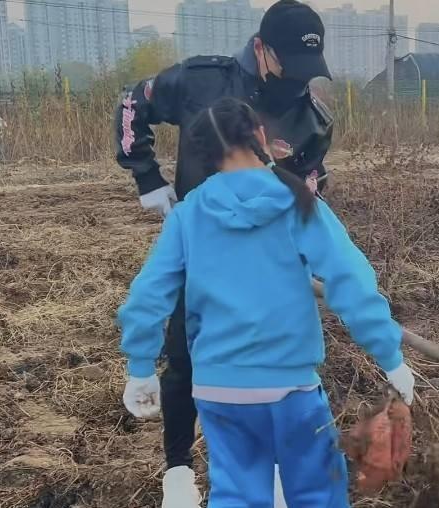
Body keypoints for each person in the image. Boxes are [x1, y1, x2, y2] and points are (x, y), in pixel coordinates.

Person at [118, 97, 415, 508]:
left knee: (237, 495)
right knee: (317, 493)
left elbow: (148, 295)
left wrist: (140, 367)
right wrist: (390, 356)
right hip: (291, 388)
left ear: (205, 154)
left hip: (219, 390)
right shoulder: (298, 202)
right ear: (259, 135)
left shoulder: (188, 215)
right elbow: (350, 280)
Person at [114, 1, 333, 505]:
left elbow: (310, 187)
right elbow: (132, 103)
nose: (298, 82)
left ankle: (267, 468)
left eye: (308, 72)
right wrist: (148, 177)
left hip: (263, 267)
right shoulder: (201, 83)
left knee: (268, 363)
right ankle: (178, 475)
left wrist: (299, 251)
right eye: (289, 67)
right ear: (261, 49)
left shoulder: (313, 120)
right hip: (197, 253)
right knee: (185, 357)